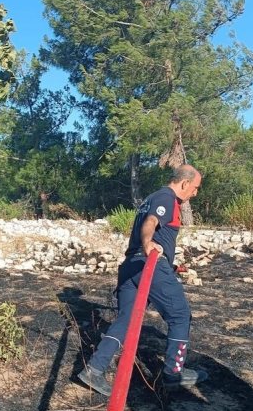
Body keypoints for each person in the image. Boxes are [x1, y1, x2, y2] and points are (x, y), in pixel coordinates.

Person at [78, 164, 209, 397]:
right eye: (195, 188)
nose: (195, 193)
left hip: (131, 267)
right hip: (149, 265)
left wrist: (170, 263)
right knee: (180, 315)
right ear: (184, 183)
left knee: (127, 319)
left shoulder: (152, 197)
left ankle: (95, 369)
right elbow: (150, 222)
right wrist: (148, 245)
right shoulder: (166, 198)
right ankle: (173, 372)